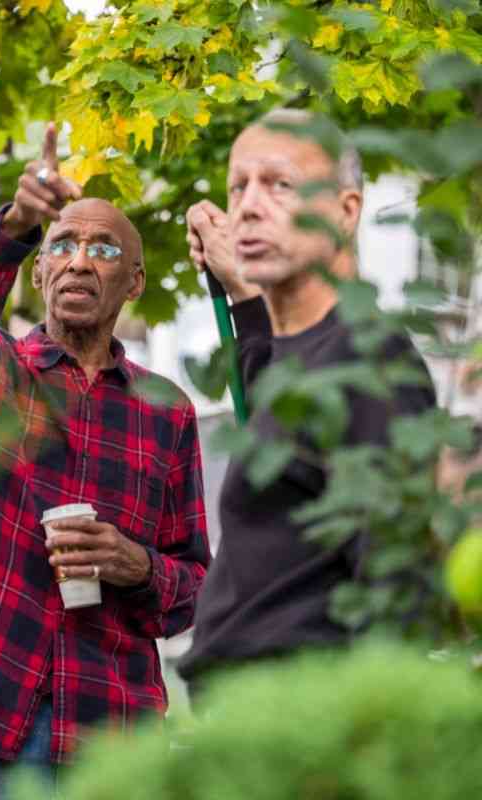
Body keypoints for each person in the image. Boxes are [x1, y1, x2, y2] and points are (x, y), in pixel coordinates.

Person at [0, 125, 211, 797]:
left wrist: (135, 565)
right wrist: (19, 223)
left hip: (109, 734)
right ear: (40, 270)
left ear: (132, 281)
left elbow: (193, 585)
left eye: (103, 249)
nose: (80, 261)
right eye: (62, 246)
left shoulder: (169, 412)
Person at [177, 109, 437, 694]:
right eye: (237, 185)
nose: (247, 205)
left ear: (346, 213)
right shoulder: (308, 358)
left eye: (280, 184)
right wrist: (241, 291)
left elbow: (398, 599)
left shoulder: (367, 366)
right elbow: (266, 385)